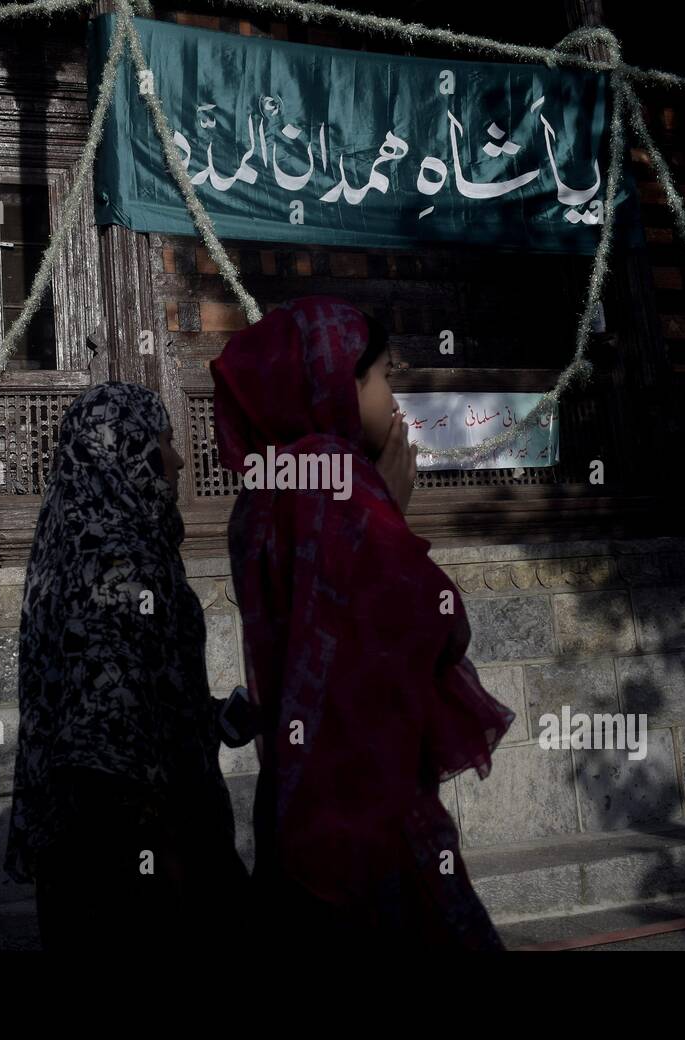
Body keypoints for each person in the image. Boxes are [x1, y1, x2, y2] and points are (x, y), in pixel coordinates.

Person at [210, 295, 516, 951]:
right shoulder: (338, 483)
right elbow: (433, 621)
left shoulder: (263, 491)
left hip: (294, 800)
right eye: (382, 376)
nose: (394, 398)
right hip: (368, 809)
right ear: (333, 382)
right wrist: (396, 521)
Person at [5, 380, 248, 951]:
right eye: (164, 439)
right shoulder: (118, 560)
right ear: (130, 448)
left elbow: (131, 697)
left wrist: (211, 719)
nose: (180, 457)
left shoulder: (80, 542)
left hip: (92, 862)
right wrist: (173, 864)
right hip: (132, 874)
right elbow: (104, 749)